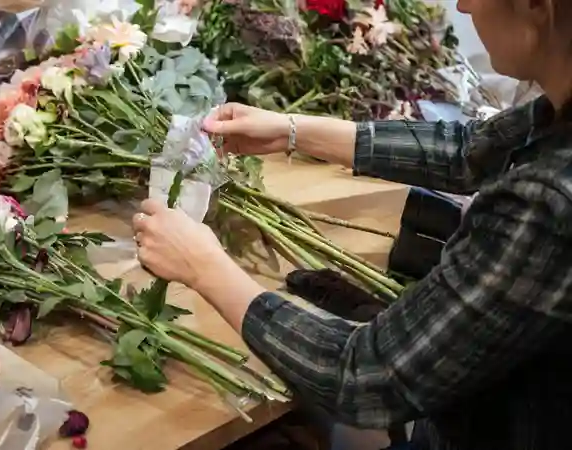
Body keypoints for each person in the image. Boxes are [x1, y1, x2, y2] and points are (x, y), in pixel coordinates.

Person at [131, 0, 572, 449]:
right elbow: (471, 148)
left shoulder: (549, 202)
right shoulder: (560, 110)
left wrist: (203, 265)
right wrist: (291, 130)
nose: (462, 4)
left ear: (538, 7)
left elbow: (367, 376)